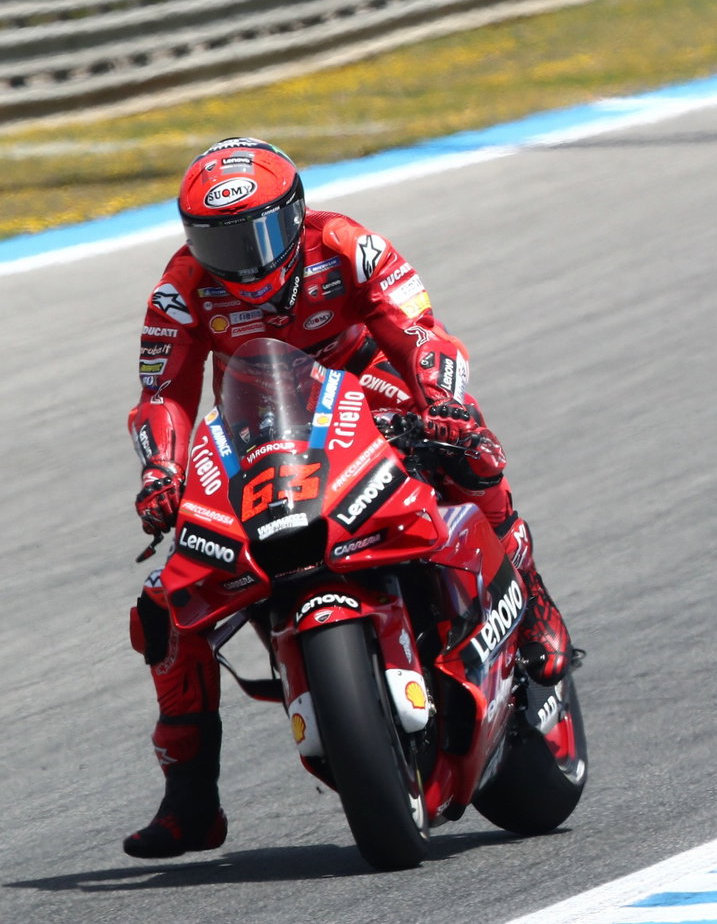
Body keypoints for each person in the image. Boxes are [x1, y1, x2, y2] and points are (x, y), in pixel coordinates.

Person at [122, 137, 573, 858]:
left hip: (374, 393)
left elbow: (421, 334)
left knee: (471, 453)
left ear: (294, 215)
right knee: (163, 605)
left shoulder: (345, 245)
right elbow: (162, 400)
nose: (243, 258)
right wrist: (162, 472)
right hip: (263, 430)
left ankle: (538, 604)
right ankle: (191, 798)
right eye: (220, 240)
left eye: (258, 234)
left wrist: (442, 404)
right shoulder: (181, 291)